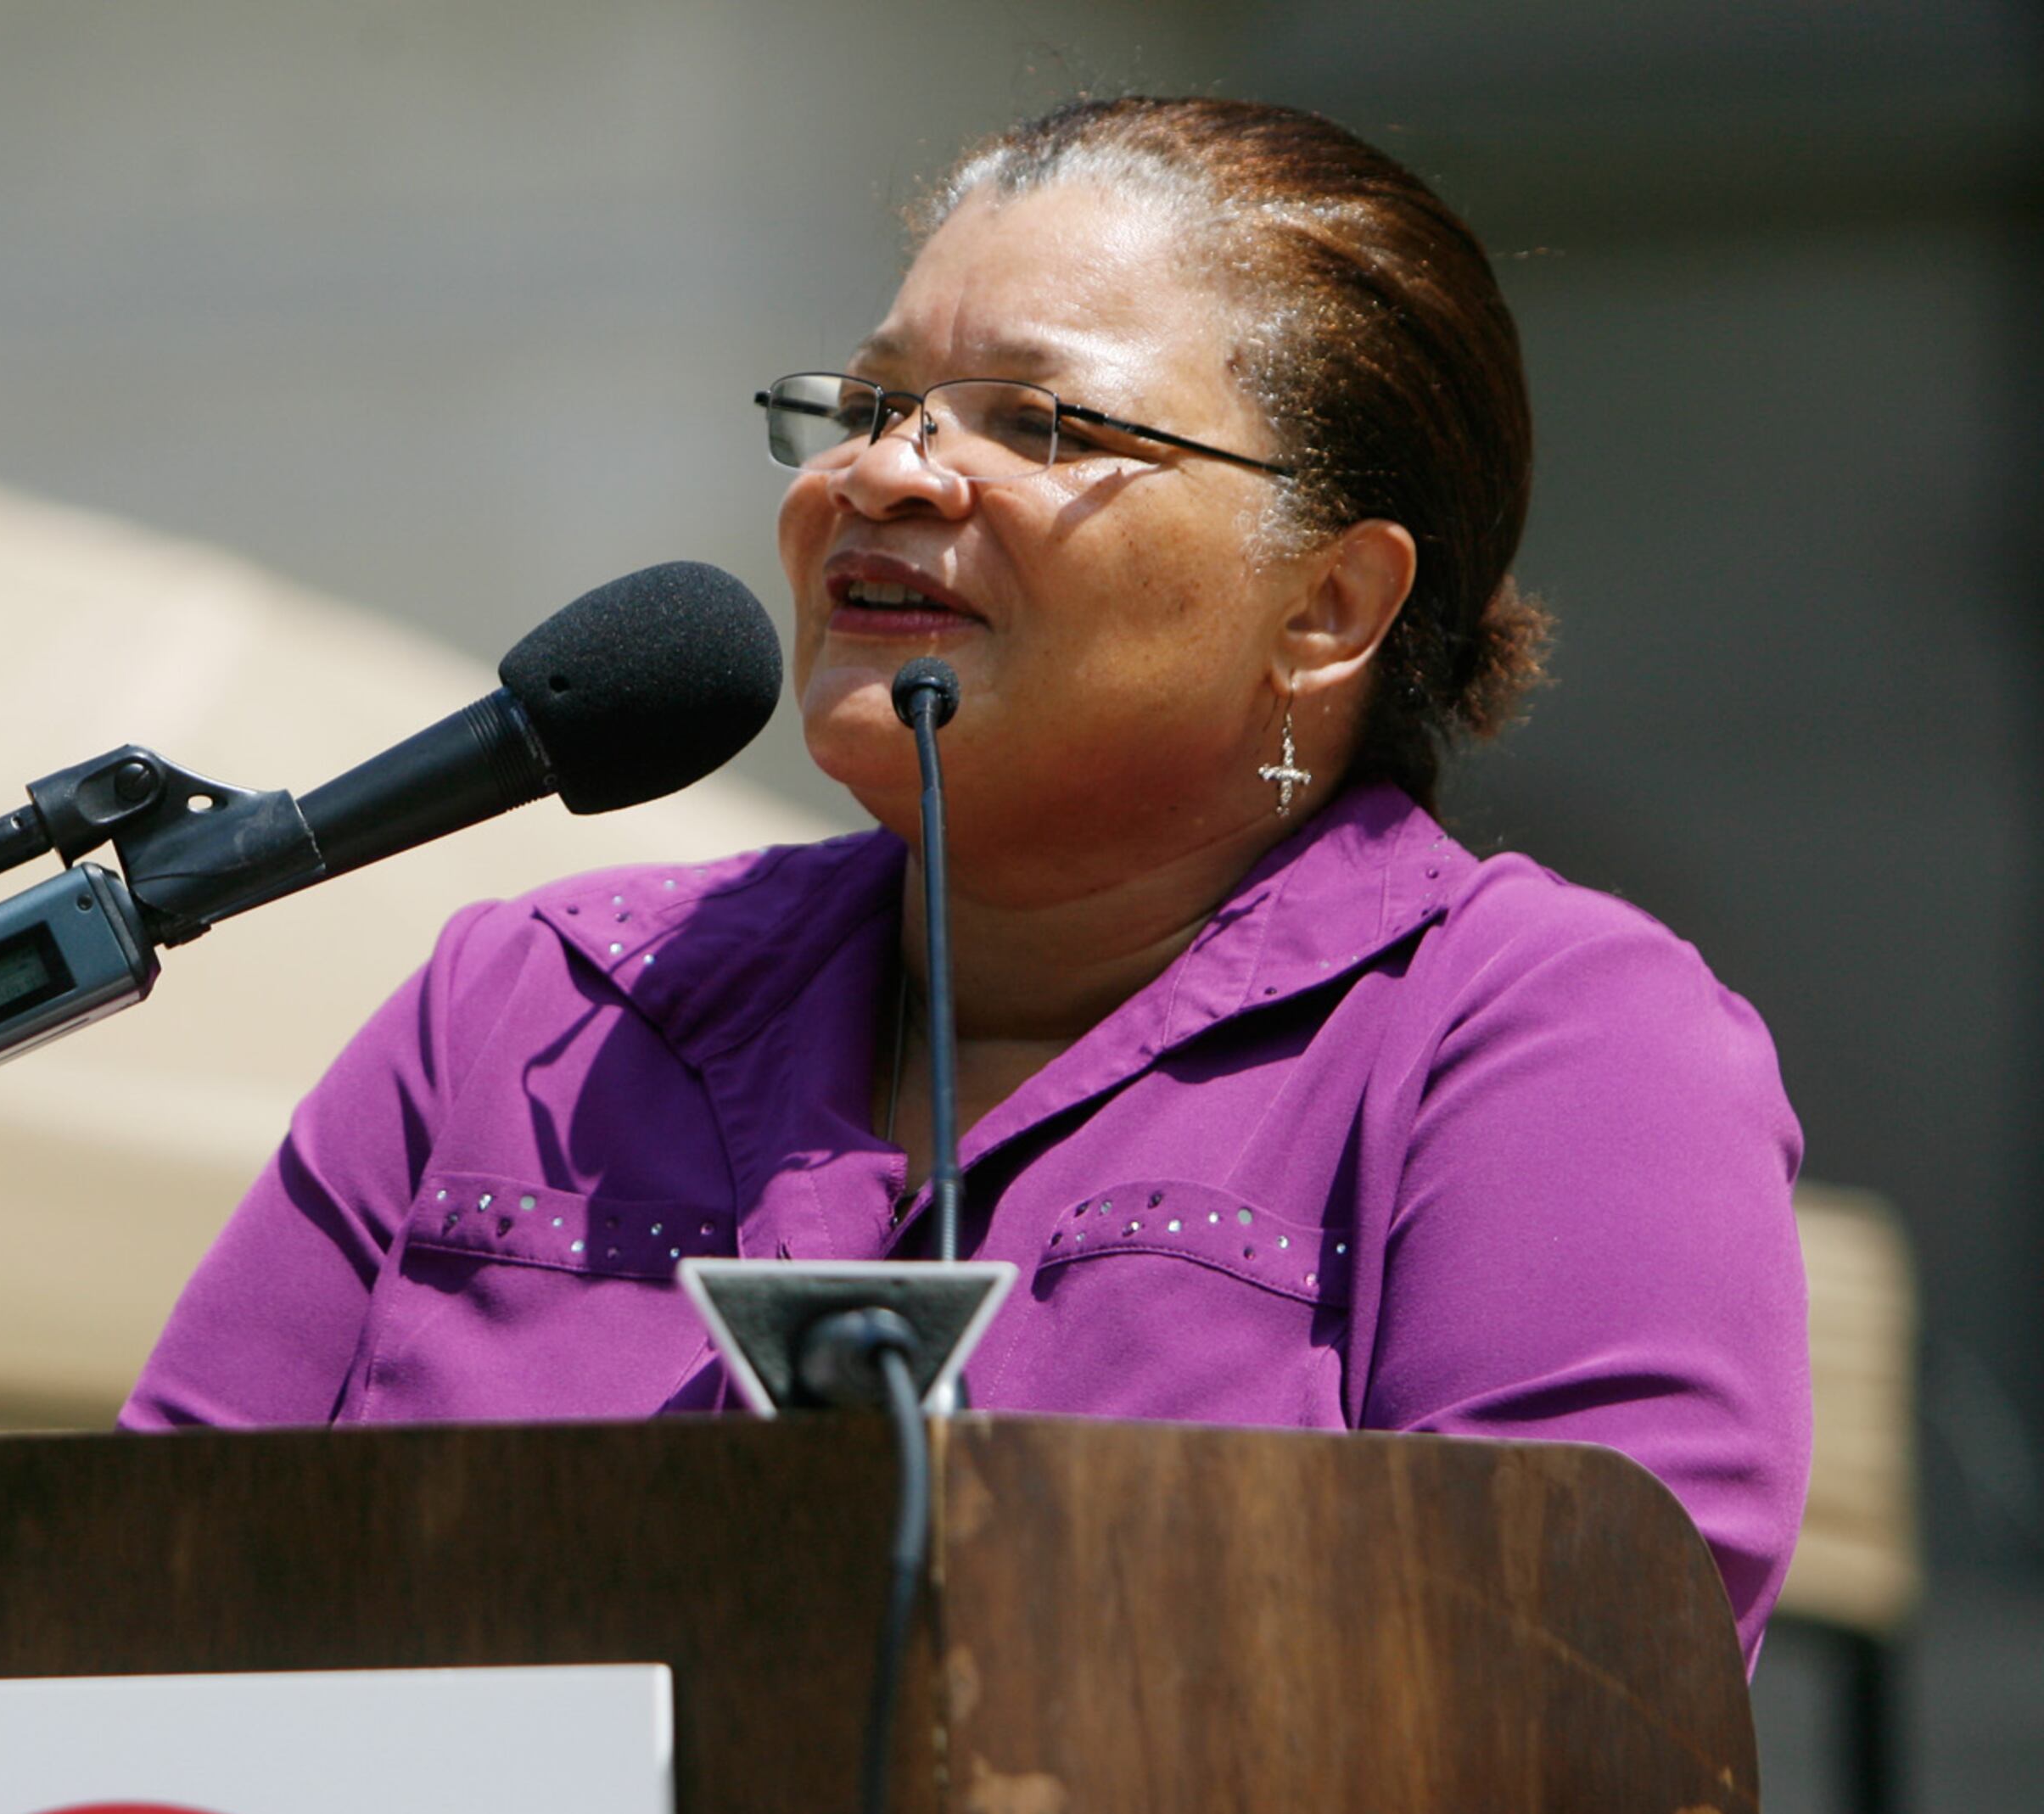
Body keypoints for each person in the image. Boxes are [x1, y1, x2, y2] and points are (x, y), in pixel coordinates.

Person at [119, 97, 1811, 1662]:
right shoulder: (526, 1012)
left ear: (1328, 607)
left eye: (1036, 421)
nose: (881, 472)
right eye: (864, 407)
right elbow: (125, 1617)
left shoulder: (1546, 1045)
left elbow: (1550, 1710)